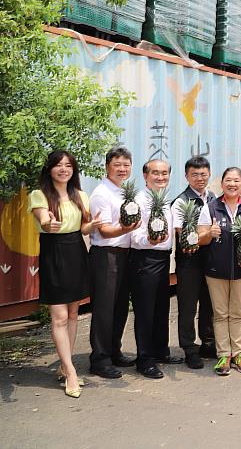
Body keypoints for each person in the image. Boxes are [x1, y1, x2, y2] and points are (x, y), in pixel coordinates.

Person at [28, 151, 102, 398]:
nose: (63, 169)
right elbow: (43, 218)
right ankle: (71, 372)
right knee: (59, 316)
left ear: (73, 170)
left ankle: (64, 364)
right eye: (58, 165)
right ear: (49, 169)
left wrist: (91, 226)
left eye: (68, 165)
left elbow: (82, 227)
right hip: (53, 252)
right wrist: (49, 222)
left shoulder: (80, 195)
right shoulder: (39, 195)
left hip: (76, 252)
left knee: (72, 313)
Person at [197, 167, 241, 376]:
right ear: (222, 183)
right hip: (215, 270)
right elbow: (199, 238)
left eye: (236, 181)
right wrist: (209, 233)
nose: (232, 184)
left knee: (237, 313)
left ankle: (239, 353)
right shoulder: (211, 207)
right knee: (221, 313)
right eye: (228, 180)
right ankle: (223, 354)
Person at [88, 147, 140, 379]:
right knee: (104, 309)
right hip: (105, 255)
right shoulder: (101, 193)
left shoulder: (124, 192)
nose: (122, 169)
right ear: (107, 166)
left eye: (126, 165)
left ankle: (114, 351)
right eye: (117, 164)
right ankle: (99, 359)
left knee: (120, 307)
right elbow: (105, 230)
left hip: (123, 255)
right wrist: (126, 228)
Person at [128, 160, 183, 379]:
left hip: (163, 259)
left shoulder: (165, 200)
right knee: (145, 311)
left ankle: (161, 351)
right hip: (144, 258)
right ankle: (144, 359)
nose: (160, 177)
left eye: (164, 174)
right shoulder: (139, 201)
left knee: (161, 307)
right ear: (145, 176)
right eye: (155, 173)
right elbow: (132, 234)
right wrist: (149, 239)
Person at [170, 156, 216, 369]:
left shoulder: (213, 197)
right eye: (194, 174)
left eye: (203, 174)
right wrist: (208, 233)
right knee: (188, 306)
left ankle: (208, 343)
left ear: (209, 175)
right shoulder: (180, 201)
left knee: (209, 303)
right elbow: (183, 235)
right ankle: (189, 348)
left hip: (210, 259)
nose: (199, 178)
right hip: (189, 260)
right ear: (187, 176)